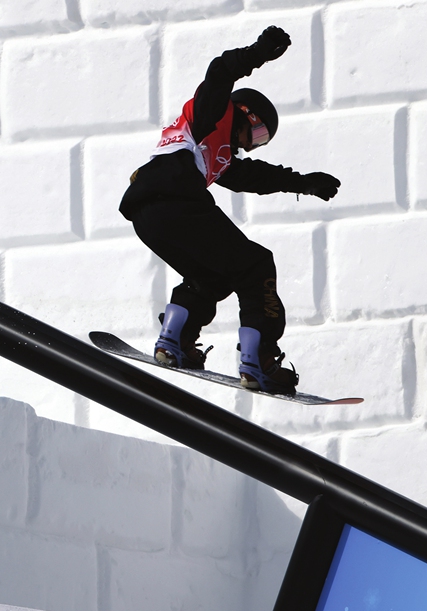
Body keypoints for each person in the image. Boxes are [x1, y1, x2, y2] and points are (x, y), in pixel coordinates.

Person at [119, 26, 339, 394]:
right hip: (176, 199)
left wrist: (304, 183)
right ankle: (260, 360)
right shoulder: (214, 114)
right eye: (256, 136)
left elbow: (252, 176)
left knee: (213, 278)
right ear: (246, 116)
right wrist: (258, 53)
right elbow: (219, 72)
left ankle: (175, 340)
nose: (251, 147)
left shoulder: (217, 155)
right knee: (255, 266)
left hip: (148, 215)